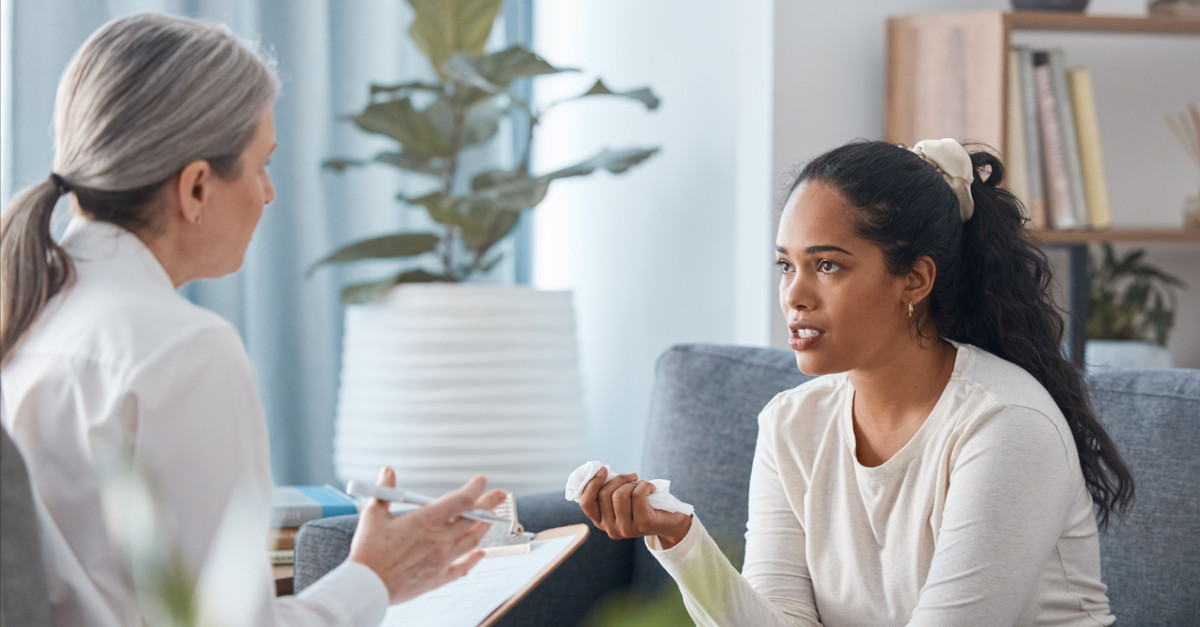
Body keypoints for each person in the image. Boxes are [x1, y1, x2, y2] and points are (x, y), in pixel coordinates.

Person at [0, 13, 505, 627]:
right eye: (262, 164)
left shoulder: (30, 316)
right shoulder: (183, 351)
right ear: (195, 189)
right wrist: (374, 576)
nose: (268, 193)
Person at [577, 138, 1135, 626]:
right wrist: (680, 538)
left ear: (914, 279)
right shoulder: (792, 424)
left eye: (827, 266)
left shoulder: (1006, 424)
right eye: (785, 265)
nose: (795, 295)